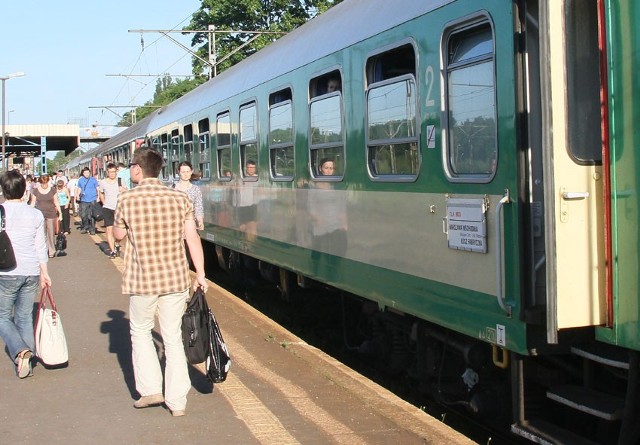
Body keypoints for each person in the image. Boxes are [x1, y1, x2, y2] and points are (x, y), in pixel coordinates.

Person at [113, 148, 207, 417]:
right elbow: (192, 239)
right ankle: (177, 402)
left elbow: (118, 235)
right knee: (173, 338)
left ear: (138, 170)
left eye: (132, 166)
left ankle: (151, 390)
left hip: (142, 280)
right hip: (175, 278)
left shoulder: (127, 199)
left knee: (141, 331)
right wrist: (199, 273)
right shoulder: (179, 198)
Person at [0, 170, 52, 378]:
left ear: (3, 190)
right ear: (24, 190)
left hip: (6, 271)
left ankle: (20, 350)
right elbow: (41, 246)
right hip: (31, 270)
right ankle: (26, 363)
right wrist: (44, 273)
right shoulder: (35, 214)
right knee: (24, 317)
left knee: (2, 316)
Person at [30, 175, 62, 258]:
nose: (44, 185)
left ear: (48, 182)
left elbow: (56, 202)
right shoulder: (36, 191)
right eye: (42, 183)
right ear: (40, 183)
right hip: (40, 215)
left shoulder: (52, 190)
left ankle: (51, 251)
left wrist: (60, 213)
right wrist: (30, 213)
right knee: (42, 234)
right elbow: (33, 203)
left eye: (45, 183)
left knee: (51, 233)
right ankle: (43, 251)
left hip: (51, 214)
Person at [173, 161, 204, 231]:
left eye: (187, 171)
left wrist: (200, 221)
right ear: (179, 172)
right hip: (176, 226)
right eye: (183, 172)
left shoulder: (196, 189)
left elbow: (198, 207)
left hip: (191, 225)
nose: (186, 174)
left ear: (191, 171)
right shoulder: (173, 188)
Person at [99, 163, 120, 258]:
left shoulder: (120, 181)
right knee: (109, 229)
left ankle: (117, 243)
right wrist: (104, 203)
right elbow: (101, 193)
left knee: (121, 230)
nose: (112, 174)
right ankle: (112, 251)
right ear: (107, 172)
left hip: (119, 208)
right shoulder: (103, 182)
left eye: (114, 172)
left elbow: (125, 191)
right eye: (111, 172)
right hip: (108, 208)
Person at [76, 167, 99, 235]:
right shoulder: (80, 180)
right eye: (85, 173)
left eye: (88, 173)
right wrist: (77, 195)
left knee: (92, 215)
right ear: (83, 173)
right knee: (83, 214)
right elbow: (79, 188)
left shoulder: (93, 180)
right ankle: (85, 227)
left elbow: (97, 188)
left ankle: (92, 229)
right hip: (83, 199)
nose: (87, 174)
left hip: (93, 198)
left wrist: (98, 197)